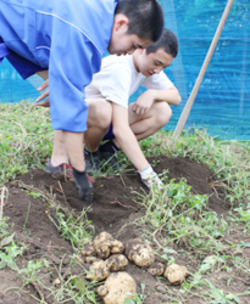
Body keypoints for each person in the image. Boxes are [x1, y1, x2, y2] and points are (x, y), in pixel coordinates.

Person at [0, 0, 164, 202]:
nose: (129, 53)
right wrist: (80, 171)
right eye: (134, 45)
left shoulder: (101, 13)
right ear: (121, 24)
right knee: (69, 99)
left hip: (20, 28)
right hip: (10, 20)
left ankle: (58, 162)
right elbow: (72, 106)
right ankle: (64, 163)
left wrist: (63, 83)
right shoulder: (85, 33)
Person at [50, 29, 181, 188]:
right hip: (78, 125)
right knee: (103, 110)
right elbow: (121, 128)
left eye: (164, 67)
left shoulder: (149, 68)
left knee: (163, 110)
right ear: (142, 48)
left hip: (105, 122)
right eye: (157, 63)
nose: (158, 70)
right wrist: (148, 174)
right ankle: (90, 153)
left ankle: (108, 150)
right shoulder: (120, 68)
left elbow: (176, 97)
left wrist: (152, 94)